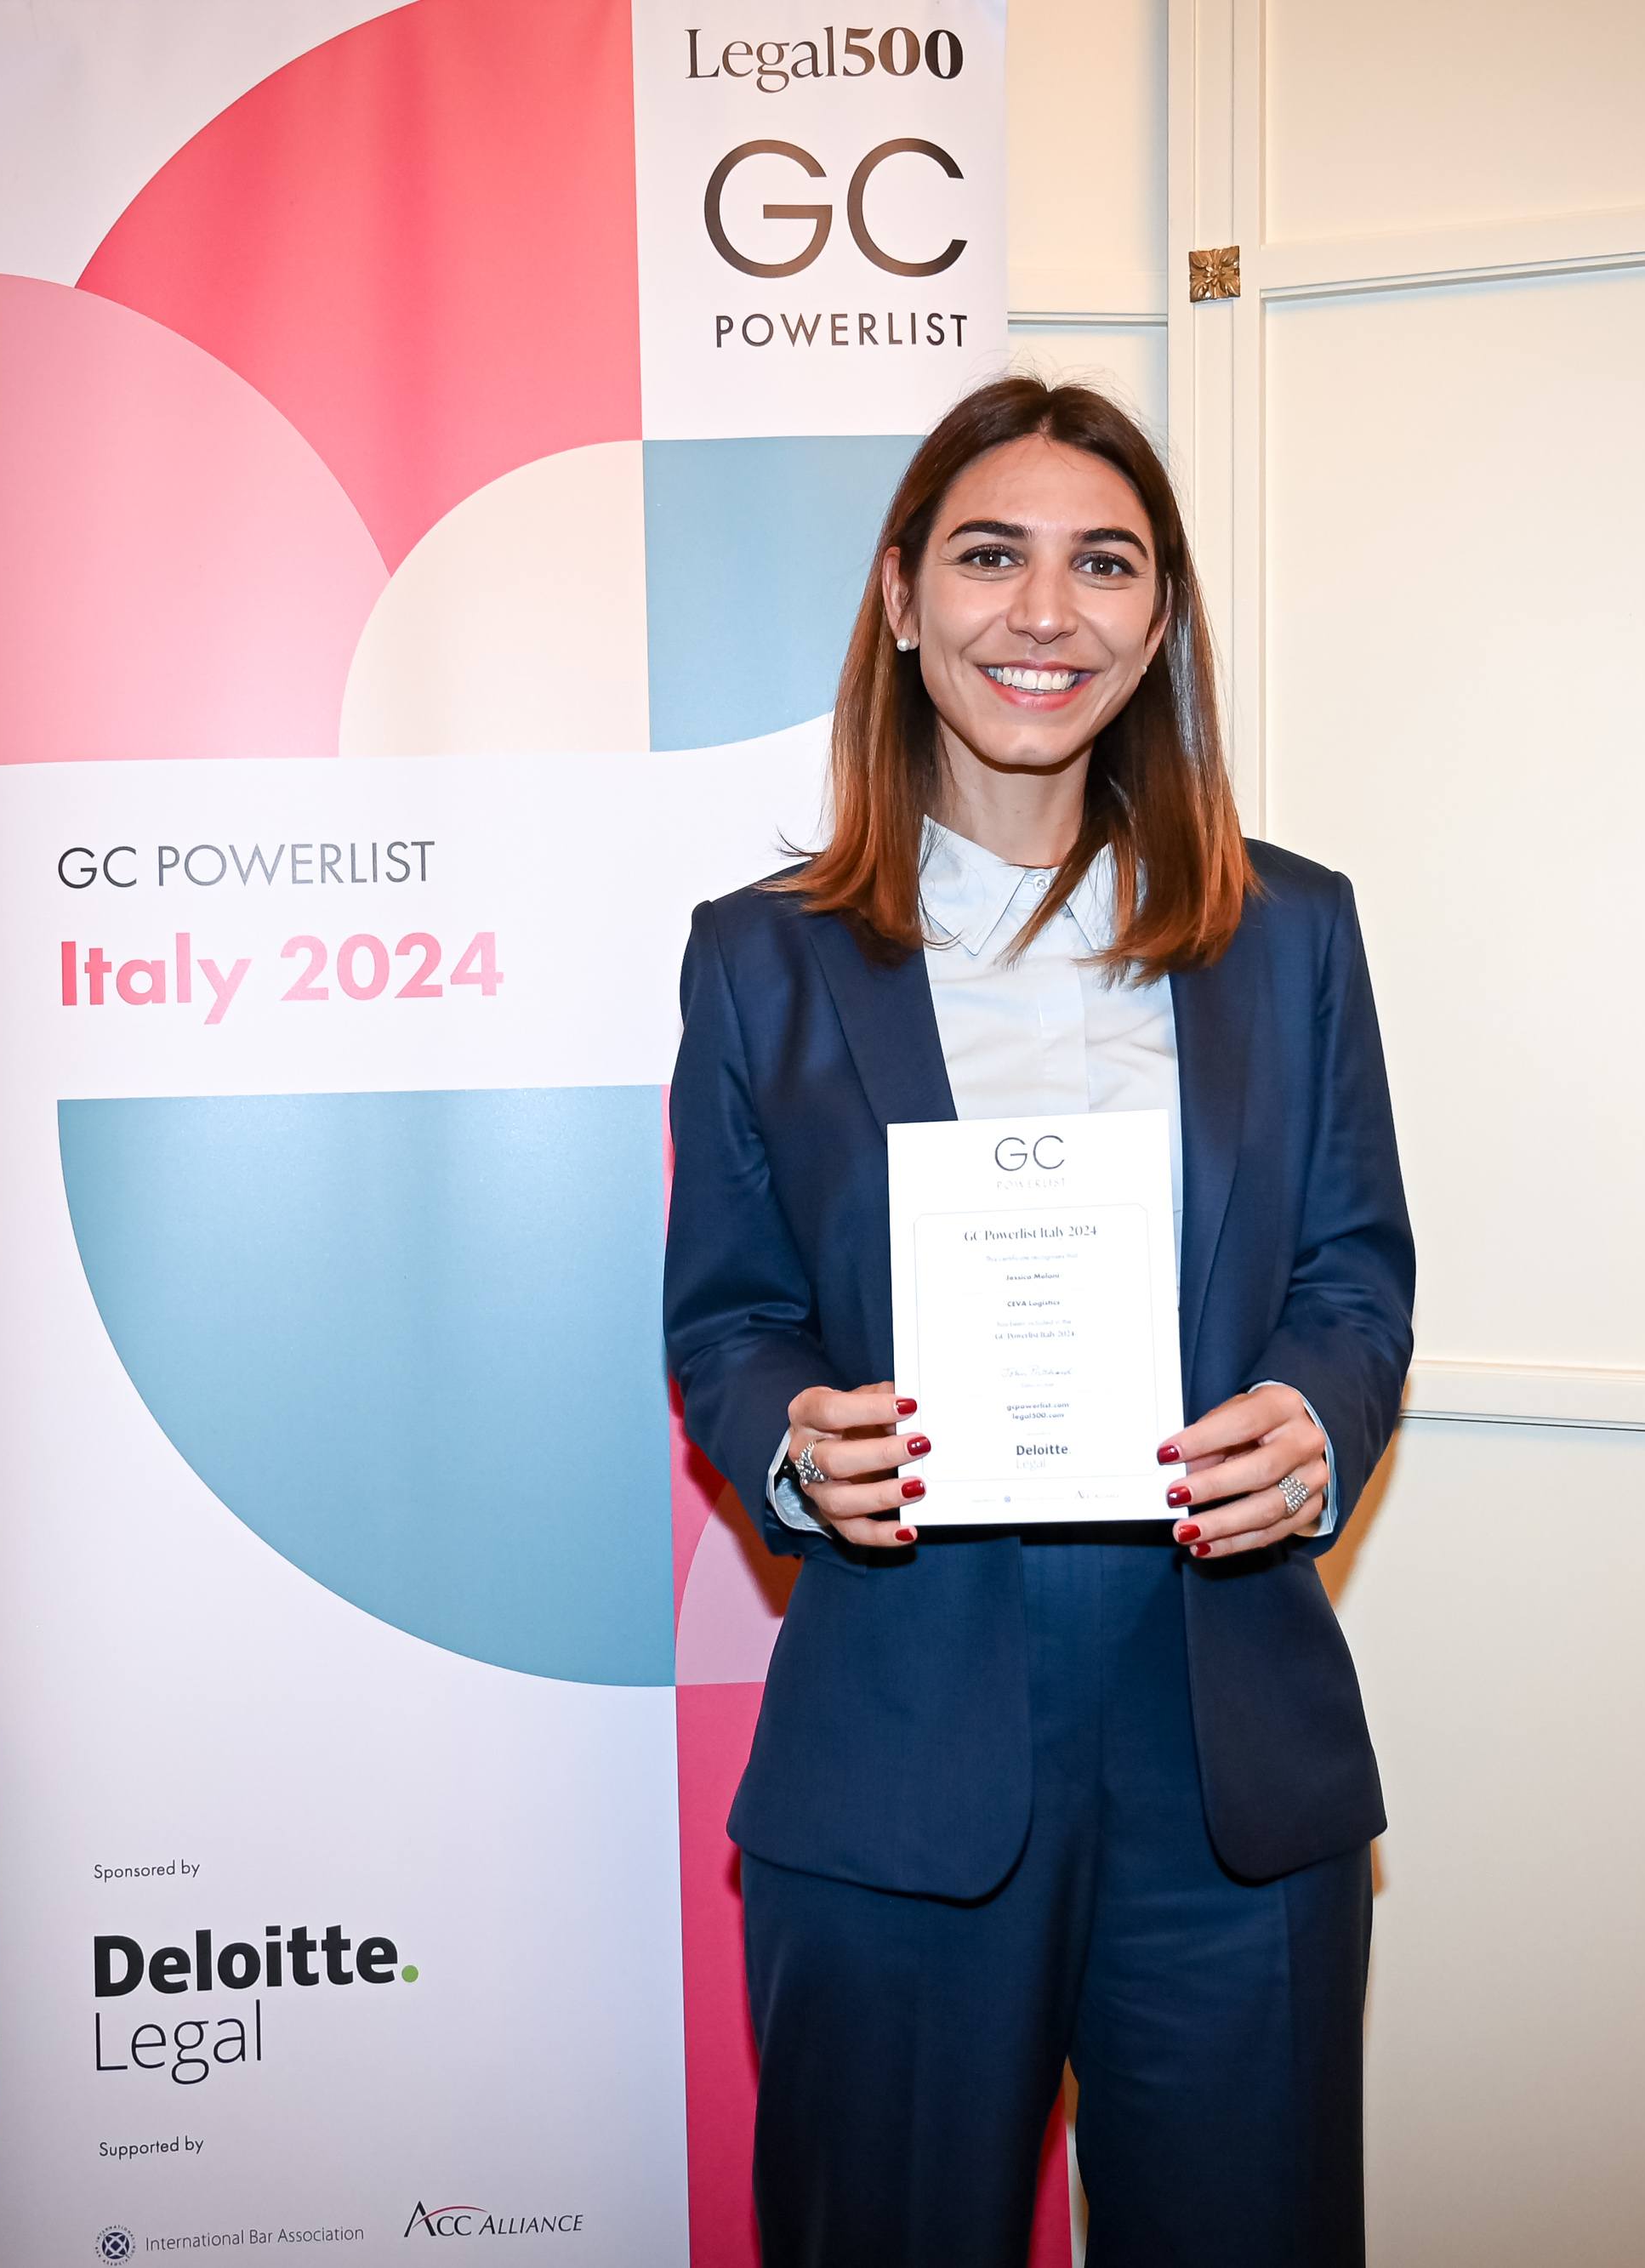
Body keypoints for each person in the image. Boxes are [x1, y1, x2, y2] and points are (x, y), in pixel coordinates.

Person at [663, 376, 1413, 2268]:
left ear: (1157, 623)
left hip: (1230, 1761)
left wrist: (1316, 1417)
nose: (1046, 612)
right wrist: (793, 1444)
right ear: (902, 596)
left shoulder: (1294, 932)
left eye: (1106, 564)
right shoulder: (760, 957)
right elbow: (733, 1316)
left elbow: (1353, 1274)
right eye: (991, 555)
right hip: (900, 1756)